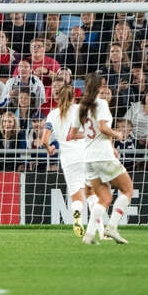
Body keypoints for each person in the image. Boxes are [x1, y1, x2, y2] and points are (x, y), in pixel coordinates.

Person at [72, 73, 133, 245]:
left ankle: (89, 236)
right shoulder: (102, 103)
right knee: (127, 189)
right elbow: (103, 127)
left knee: (104, 198)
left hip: (89, 159)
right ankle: (112, 227)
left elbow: (73, 134)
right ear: (100, 87)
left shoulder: (81, 107)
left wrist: (96, 138)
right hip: (103, 156)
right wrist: (117, 134)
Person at [41, 86, 85, 237]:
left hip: (68, 159)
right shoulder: (81, 109)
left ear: (58, 97)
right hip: (85, 155)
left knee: (76, 195)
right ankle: (99, 227)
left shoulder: (53, 114)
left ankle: (78, 220)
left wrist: (50, 148)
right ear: (75, 97)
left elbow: (44, 140)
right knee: (92, 192)